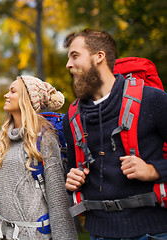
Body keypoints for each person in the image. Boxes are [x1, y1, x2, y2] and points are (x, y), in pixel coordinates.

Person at [63, 28, 167, 239]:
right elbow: (75, 169)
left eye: (75, 56)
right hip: (99, 233)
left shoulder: (153, 100)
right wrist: (72, 179)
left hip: (153, 231)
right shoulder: (71, 118)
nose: (68, 65)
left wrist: (154, 170)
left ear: (99, 56)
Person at [0, 75, 77, 239]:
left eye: (13, 91)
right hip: (2, 234)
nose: (6, 95)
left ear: (27, 99)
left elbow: (57, 201)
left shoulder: (44, 139)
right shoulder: (1, 139)